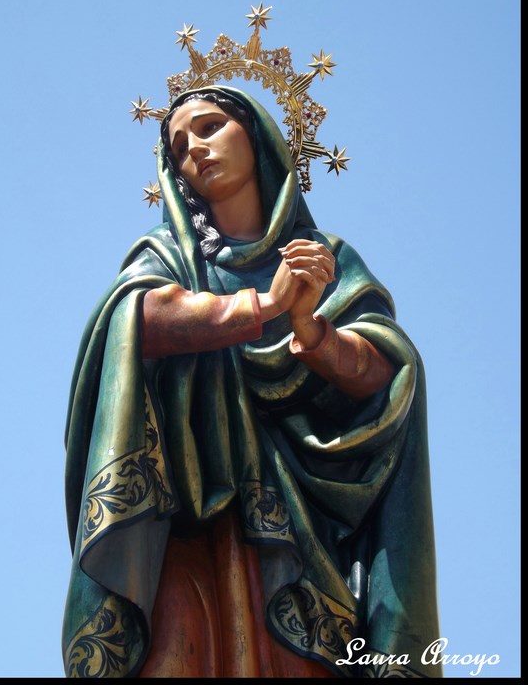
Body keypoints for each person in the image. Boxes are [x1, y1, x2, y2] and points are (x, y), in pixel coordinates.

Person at [62, 85, 442, 678]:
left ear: (258, 136)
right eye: (179, 147)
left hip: (303, 536)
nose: (195, 150)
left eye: (210, 128)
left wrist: (311, 330)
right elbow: (135, 319)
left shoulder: (325, 258)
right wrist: (264, 305)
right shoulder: (169, 256)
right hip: (189, 518)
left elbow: (387, 375)